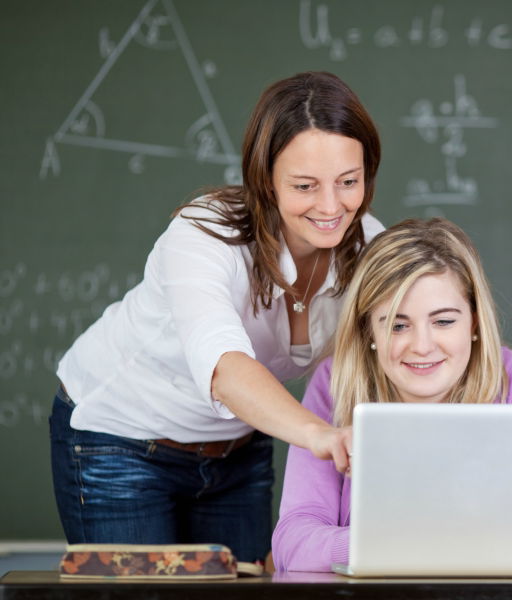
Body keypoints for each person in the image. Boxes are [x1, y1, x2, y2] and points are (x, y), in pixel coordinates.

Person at [49, 71, 383, 563]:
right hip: (122, 439)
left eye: (348, 182)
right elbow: (225, 369)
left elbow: (398, 349)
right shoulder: (203, 233)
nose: (332, 206)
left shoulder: (370, 245)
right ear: (265, 180)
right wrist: (320, 435)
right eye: (305, 185)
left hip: (239, 451)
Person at [271, 217, 512, 572]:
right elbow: (292, 543)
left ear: (474, 322)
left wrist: (399, 545)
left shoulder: (510, 378)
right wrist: (409, 544)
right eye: (398, 325)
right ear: (368, 327)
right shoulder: (335, 383)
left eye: (444, 321)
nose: (422, 345)